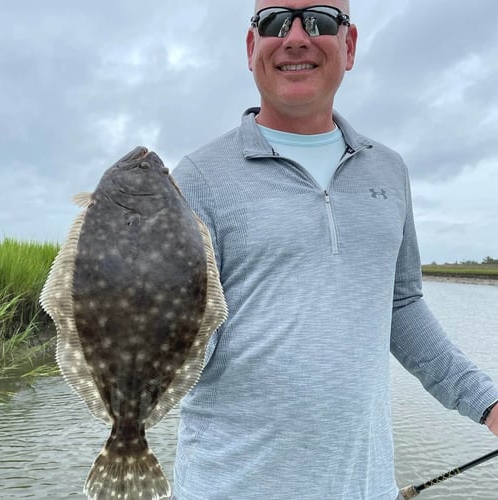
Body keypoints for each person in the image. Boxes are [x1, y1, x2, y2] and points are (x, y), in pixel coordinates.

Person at [171, 1, 498, 499]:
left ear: (348, 45)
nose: (296, 36)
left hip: (364, 485)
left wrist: (488, 403)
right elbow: (181, 339)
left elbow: (401, 305)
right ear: (250, 45)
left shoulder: (389, 171)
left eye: (320, 20)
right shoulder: (197, 176)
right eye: (275, 21)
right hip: (228, 485)